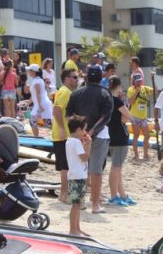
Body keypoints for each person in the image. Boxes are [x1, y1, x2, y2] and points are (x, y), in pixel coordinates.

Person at [66, 65, 113, 214]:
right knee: (96, 171)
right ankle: (95, 205)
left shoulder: (76, 93)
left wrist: (80, 132)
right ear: (101, 77)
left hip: (79, 134)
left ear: (86, 77)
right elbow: (106, 117)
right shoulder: (105, 94)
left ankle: (80, 202)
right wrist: (91, 132)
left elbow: (69, 115)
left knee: (80, 169)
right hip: (99, 135)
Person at [106, 76, 136, 207]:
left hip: (109, 135)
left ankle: (122, 194)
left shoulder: (105, 99)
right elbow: (128, 116)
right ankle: (113, 196)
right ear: (118, 86)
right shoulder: (117, 101)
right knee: (116, 167)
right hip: (119, 136)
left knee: (117, 168)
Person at [51, 69, 79, 202]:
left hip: (64, 135)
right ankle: (63, 195)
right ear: (67, 79)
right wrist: (62, 128)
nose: (77, 80)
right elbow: (56, 110)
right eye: (74, 77)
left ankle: (65, 194)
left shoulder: (67, 92)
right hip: (62, 135)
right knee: (65, 167)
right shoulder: (65, 92)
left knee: (66, 166)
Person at [65, 115, 92, 236]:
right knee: (76, 204)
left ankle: (77, 228)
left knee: (78, 203)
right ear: (78, 130)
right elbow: (84, 157)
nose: (85, 132)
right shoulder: (75, 142)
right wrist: (88, 145)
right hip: (77, 176)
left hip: (78, 175)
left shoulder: (71, 141)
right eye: (84, 129)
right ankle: (73, 230)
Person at [127, 73, 153, 160]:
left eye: (140, 81)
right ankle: (136, 154)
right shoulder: (131, 89)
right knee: (136, 135)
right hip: (135, 116)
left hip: (143, 117)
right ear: (133, 82)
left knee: (147, 135)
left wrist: (152, 79)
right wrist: (136, 92)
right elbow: (130, 102)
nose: (139, 83)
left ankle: (145, 154)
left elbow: (155, 91)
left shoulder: (145, 88)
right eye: (137, 81)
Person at [26, 64, 53, 137]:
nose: (28, 72)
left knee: (46, 123)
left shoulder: (37, 80)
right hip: (41, 103)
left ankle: (37, 137)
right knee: (47, 123)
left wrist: (40, 106)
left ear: (34, 72)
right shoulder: (37, 80)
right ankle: (36, 137)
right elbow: (34, 95)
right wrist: (27, 103)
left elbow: (38, 93)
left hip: (41, 104)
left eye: (29, 71)